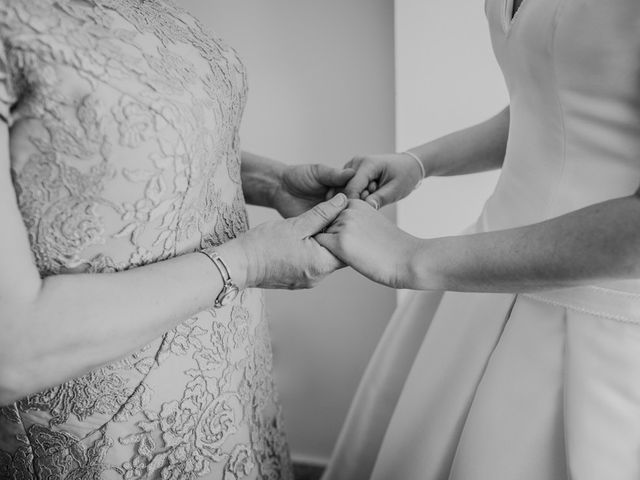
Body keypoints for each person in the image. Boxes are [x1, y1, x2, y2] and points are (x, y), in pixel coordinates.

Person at [0, 1, 352, 479]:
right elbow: (11, 350)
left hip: (230, 372)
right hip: (110, 426)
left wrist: (273, 183)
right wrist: (245, 264)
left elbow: (110, 139)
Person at [318, 1, 640, 479]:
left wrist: (414, 258)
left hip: (596, 324)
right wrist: (420, 162)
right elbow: (564, 88)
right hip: (482, 274)